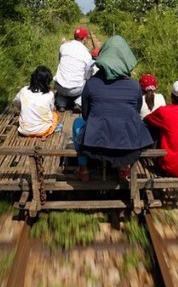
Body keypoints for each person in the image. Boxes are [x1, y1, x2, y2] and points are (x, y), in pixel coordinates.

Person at [72, 35, 154, 182]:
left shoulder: (91, 84)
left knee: (77, 124)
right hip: (127, 145)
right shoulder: (135, 86)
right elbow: (135, 113)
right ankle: (124, 168)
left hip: (95, 146)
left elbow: (85, 116)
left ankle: (83, 170)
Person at [54, 27, 94, 113]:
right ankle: (78, 103)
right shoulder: (87, 54)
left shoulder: (63, 46)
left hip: (59, 86)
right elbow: (87, 75)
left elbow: (60, 60)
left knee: (62, 87)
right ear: (84, 39)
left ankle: (61, 103)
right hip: (76, 90)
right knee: (87, 82)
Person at [13, 65, 60, 137]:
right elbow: (50, 109)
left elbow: (16, 102)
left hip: (24, 131)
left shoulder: (24, 90)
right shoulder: (49, 95)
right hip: (43, 130)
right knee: (54, 115)